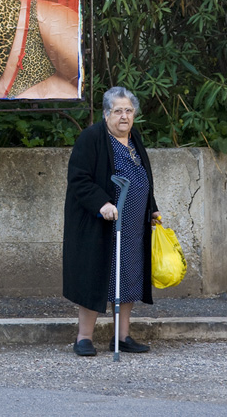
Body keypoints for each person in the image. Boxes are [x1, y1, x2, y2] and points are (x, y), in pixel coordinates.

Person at [62, 86, 161, 356]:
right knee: (94, 277)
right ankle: (84, 338)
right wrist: (102, 203)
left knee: (129, 276)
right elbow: (79, 179)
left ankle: (122, 336)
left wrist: (151, 208)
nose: (124, 116)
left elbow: (142, 178)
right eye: (118, 111)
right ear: (106, 114)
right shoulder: (92, 137)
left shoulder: (133, 138)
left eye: (128, 110)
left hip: (133, 227)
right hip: (100, 225)